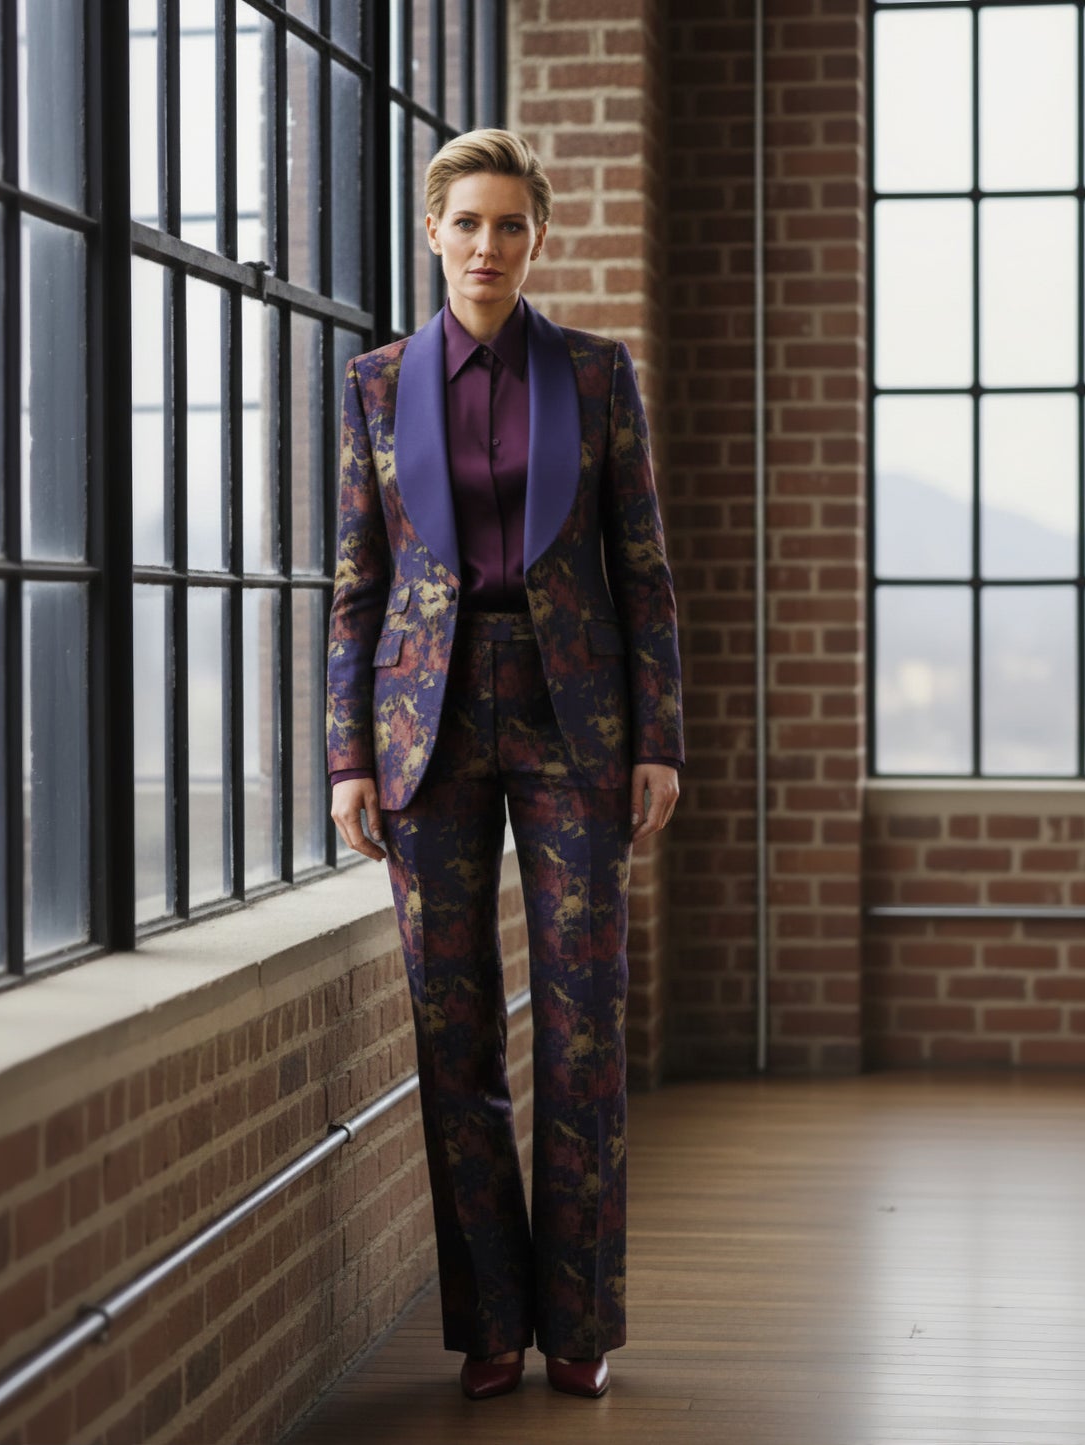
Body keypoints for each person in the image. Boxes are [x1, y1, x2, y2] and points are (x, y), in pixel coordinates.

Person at [325, 128, 684, 1402]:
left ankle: (578, 1318)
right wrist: (346, 756)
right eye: (466, 223)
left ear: (538, 239)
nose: (488, 246)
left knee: (584, 1030)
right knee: (452, 1027)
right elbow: (358, 583)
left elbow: (640, 569)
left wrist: (657, 738)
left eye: (511, 226)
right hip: (424, 736)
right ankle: (487, 1317)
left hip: (570, 725)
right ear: (432, 231)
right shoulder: (374, 385)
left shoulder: (594, 374)